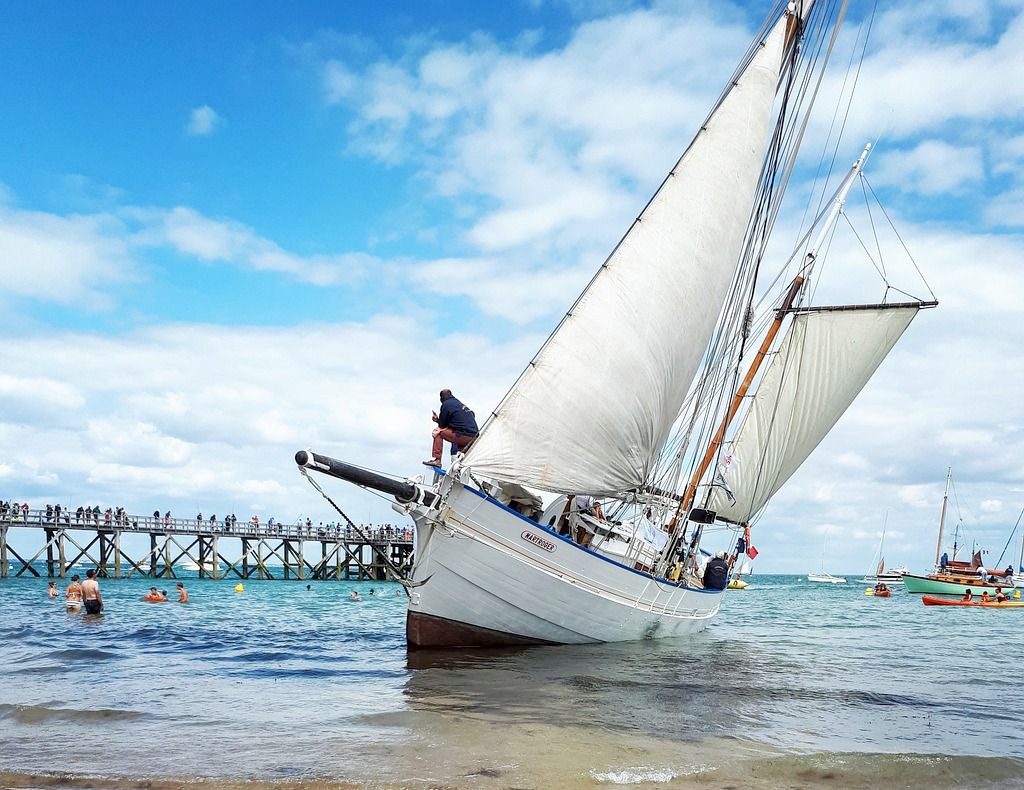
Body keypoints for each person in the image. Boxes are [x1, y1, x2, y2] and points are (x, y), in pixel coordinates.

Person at [424, 389, 479, 466]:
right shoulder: (459, 403)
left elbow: (442, 426)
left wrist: (437, 421)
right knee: (460, 458)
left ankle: (437, 460)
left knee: (438, 433)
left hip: (464, 435)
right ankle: (460, 469)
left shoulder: (446, 404)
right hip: (474, 438)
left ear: (441, 398)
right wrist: (437, 420)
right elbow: (455, 423)